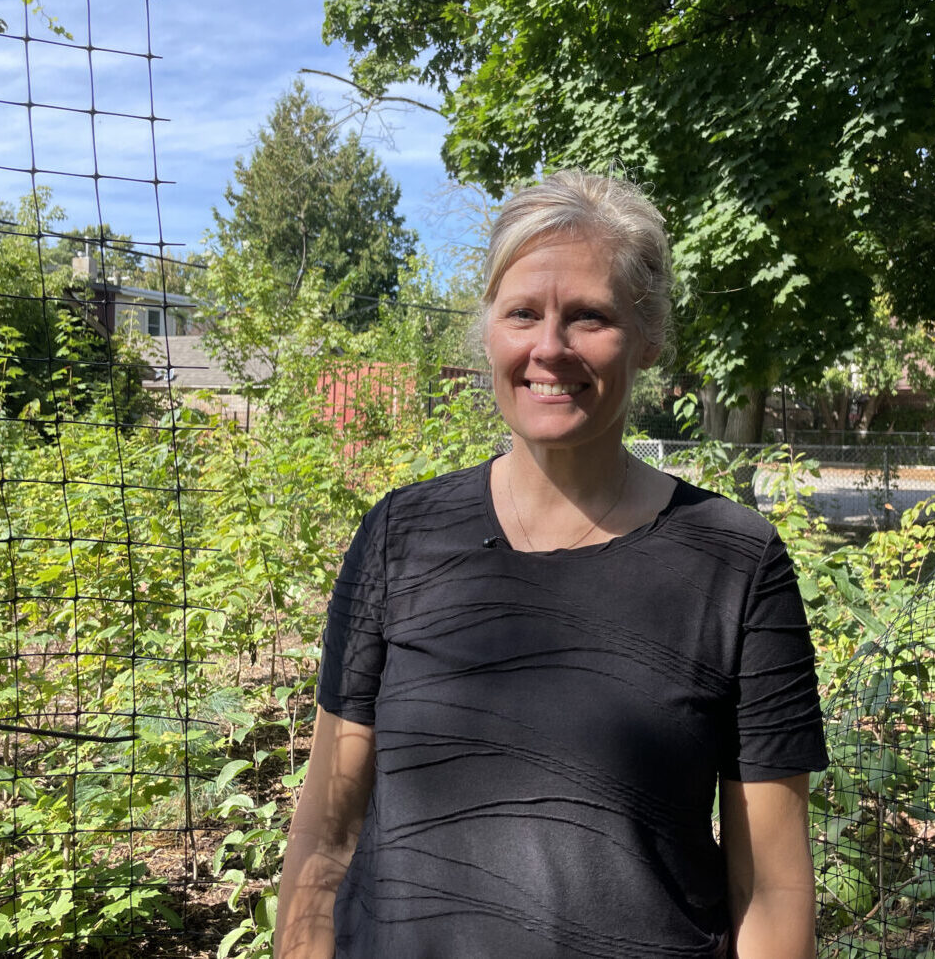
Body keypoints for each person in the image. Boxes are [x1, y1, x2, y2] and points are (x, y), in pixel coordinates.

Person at [274, 170, 829, 959]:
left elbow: (768, 893)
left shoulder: (733, 563)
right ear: (490, 332)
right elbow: (325, 839)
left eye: (589, 317)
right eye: (523, 313)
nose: (549, 348)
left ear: (647, 338)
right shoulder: (401, 537)